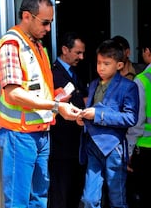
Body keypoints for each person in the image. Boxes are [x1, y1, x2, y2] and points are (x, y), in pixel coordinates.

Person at [0, 0, 81, 208]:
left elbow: (35, 90)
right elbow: (13, 93)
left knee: (39, 199)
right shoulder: (11, 45)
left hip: (40, 133)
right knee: (18, 201)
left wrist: (57, 97)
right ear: (26, 16)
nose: (48, 29)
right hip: (19, 135)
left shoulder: (37, 46)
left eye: (50, 23)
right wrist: (56, 105)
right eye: (45, 22)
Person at [77, 39, 139, 208]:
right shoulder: (94, 84)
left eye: (106, 63)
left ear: (119, 65)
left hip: (114, 147)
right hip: (92, 145)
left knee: (117, 198)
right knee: (89, 199)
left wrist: (98, 114)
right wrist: (82, 117)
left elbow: (130, 118)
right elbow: (91, 111)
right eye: (98, 63)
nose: (101, 68)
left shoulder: (128, 86)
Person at [48, 32, 88, 208]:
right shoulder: (54, 73)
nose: (81, 57)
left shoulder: (73, 72)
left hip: (74, 144)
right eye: (78, 52)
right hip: (61, 145)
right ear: (65, 49)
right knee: (60, 193)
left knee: (73, 191)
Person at [127, 38, 151, 208]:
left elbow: (136, 121)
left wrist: (129, 150)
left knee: (144, 198)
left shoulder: (143, 79)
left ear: (147, 51)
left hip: (145, 148)